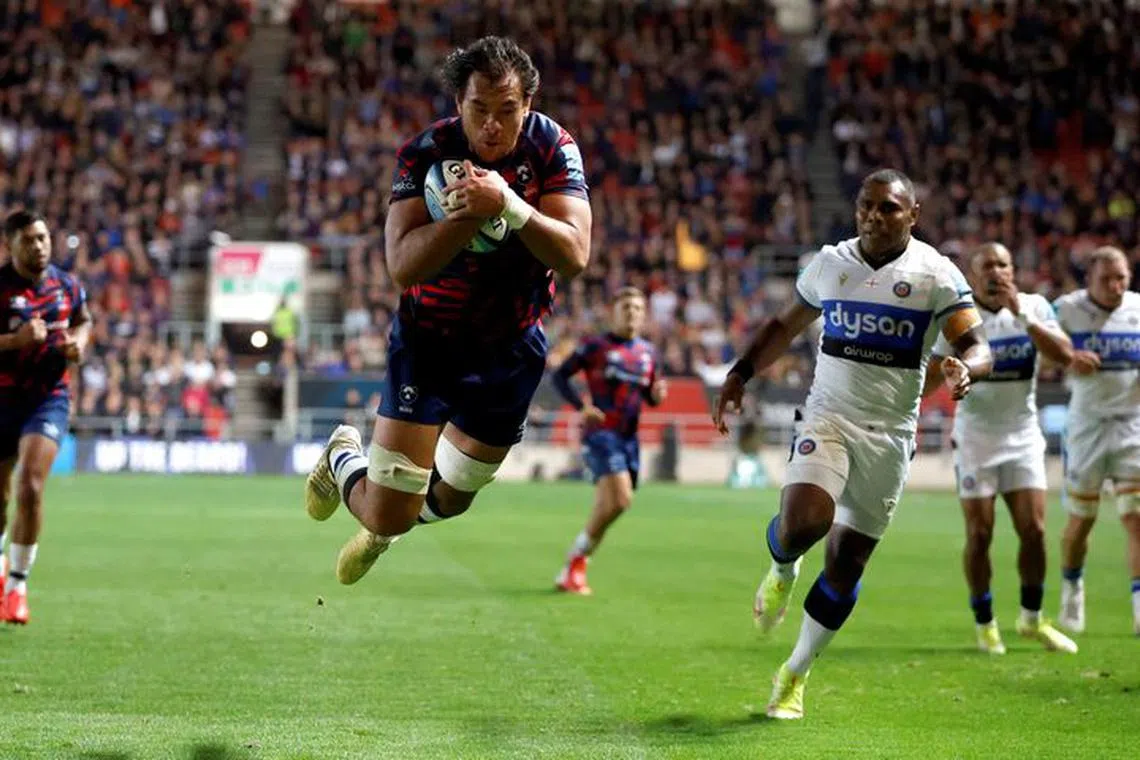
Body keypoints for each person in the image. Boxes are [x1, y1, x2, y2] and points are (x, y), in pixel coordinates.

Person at [304, 36, 590, 584]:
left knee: (454, 498)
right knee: (391, 511)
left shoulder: (554, 148)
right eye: (479, 110)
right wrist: (464, 217)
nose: (492, 125)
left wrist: (507, 203)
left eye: (507, 112)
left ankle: (393, 519)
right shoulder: (424, 153)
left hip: (512, 347)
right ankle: (345, 456)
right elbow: (402, 266)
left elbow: (576, 254)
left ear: (527, 104)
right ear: (459, 102)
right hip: (429, 343)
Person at [713, 169, 992, 720]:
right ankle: (783, 568)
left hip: (890, 436)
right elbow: (784, 324)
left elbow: (976, 344)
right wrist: (740, 373)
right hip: (828, 418)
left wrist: (967, 369)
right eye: (866, 206)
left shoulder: (935, 274)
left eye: (888, 208)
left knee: (845, 566)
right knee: (804, 522)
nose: (873, 217)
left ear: (912, 214)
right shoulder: (830, 262)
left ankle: (795, 672)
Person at [923, 242, 1076, 654]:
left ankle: (1031, 618)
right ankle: (985, 620)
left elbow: (1064, 357)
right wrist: (945, 374)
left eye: (1003, 264)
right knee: (980, 532)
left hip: (1023, 434)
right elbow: (932, 378)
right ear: (973, 276)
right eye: (987, 265)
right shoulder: (958, 318)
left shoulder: (1036, 307)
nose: (996, 272)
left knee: (1035, 530)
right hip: (975, 436)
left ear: (1013, 269)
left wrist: (1022, 315)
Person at [0, 209, 90, 624]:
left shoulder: (66, 285)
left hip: (47, 398)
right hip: (2, 399)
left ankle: (17, 586)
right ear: (10, 245)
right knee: (0, 498)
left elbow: (84, 321)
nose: (39, 246)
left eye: (43, 238)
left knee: (31, 486)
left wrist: (78, 343)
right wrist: (14, 341)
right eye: (29, 240)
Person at [550, 287, 665, 595]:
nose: (632, 313)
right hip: (601, 434)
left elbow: (650, 394)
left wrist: (657, 397)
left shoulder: (649, 353)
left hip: (629, 439)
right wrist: (582, 407)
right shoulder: (595, 346)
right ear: (613, 311)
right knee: (622, 500)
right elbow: (559, 376)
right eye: (626, 307)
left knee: (610, 506)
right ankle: (576, 559)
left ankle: (573, 570)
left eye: (638, 308)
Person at [1052, 246, 1140, 636]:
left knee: (1135, 517)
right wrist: (1067, 355)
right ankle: (1072, 584)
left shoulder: (1137, 309)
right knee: (1082, 521)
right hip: (1087, 427)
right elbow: (1039, 345)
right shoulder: (1066, 309)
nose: (1116, 286)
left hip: (1133, 426)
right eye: (1106, 278)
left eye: (1121, 277)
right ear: (1089, 279)